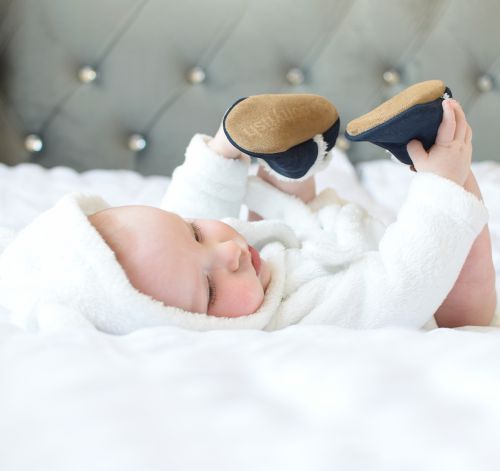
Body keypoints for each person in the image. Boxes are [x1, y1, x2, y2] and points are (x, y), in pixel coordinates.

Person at [0, 93, 496, 334]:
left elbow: (186, 208)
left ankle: (287, 160)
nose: (231, 252)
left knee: (275, 216)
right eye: (210, 289)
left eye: (195, 235)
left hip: (313, 247)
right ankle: (440, 150)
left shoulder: (201, 266)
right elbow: (402, 288)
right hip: (428, 300)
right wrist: (437, 191)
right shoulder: (299, 320)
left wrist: (221, 154)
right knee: (459, 247)